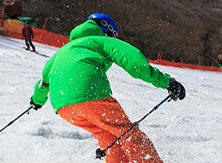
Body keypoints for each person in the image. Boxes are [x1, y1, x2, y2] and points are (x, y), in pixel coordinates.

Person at [29, 13, 186, 163]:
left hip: (63, 107)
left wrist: (37, 101)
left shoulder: (63, 50)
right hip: (90, 95)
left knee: (107, 135)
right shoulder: (99, 41)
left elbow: (44, 81)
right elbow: (135, 62)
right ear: (107, 31)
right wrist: (167, 82)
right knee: (128, 134)